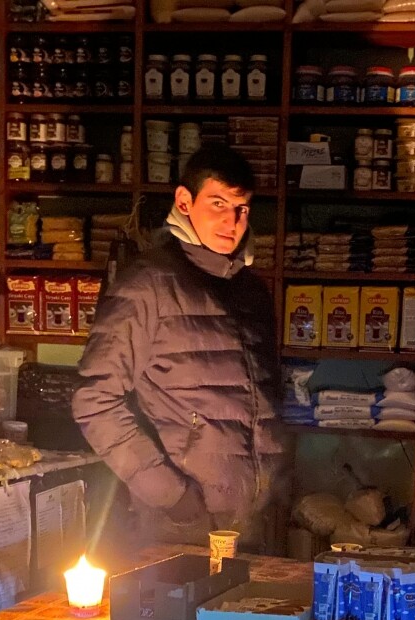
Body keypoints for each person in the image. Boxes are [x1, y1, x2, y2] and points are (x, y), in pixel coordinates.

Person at [73, 144, 286, 552]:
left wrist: (274, 485)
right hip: (179, 524)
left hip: (250, 522)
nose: (232, 222)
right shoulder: (148, 286)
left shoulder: (251, 291)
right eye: (218, 204)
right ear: (185, 202)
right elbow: (94, 401)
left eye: (241, 208)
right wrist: (174, 498)